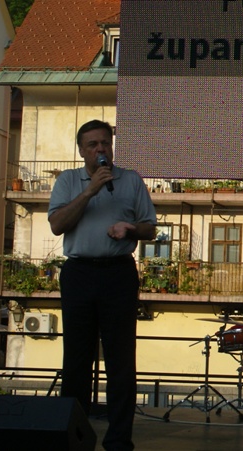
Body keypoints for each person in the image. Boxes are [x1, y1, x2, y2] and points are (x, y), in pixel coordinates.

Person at [49, 119, 156, 451]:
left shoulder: (131, 180)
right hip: (79, 273)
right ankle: (74, 438)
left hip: (118, 273)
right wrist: (90, 190)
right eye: (92, 144)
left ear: (112, 146)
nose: (100, 149)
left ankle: (119, 440)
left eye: (105, 143)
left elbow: (150, 228)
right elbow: (57, 224)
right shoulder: (68, 181)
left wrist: (130, 229)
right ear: (81, 151)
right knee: (77, 360)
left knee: (120, 360)